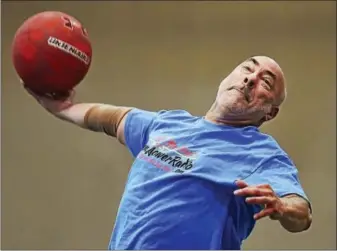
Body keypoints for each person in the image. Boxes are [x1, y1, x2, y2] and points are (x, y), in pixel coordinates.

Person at [24, 55, 312, 250]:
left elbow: (301, 213)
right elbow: (110, 119)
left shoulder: (261, 153)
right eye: (247, 69)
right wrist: (60, 107)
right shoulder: (166, 124)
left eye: (266, 82)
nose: (251, 79)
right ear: (229, 77)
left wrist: (283, 207)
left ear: (270, 113)